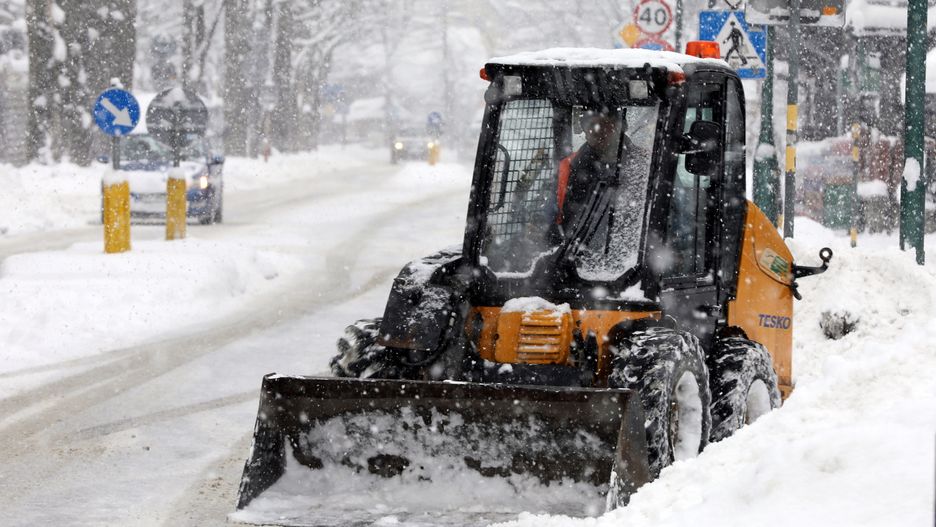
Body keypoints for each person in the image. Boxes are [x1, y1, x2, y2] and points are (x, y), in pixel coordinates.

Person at [556, 108, 639, 226]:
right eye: (590, 126)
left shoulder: (646, 163)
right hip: (577, 236)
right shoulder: (568, 167)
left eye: (604, 125)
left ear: (619, 128)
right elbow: (555, 216)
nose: (597, 131)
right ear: (585, 132)